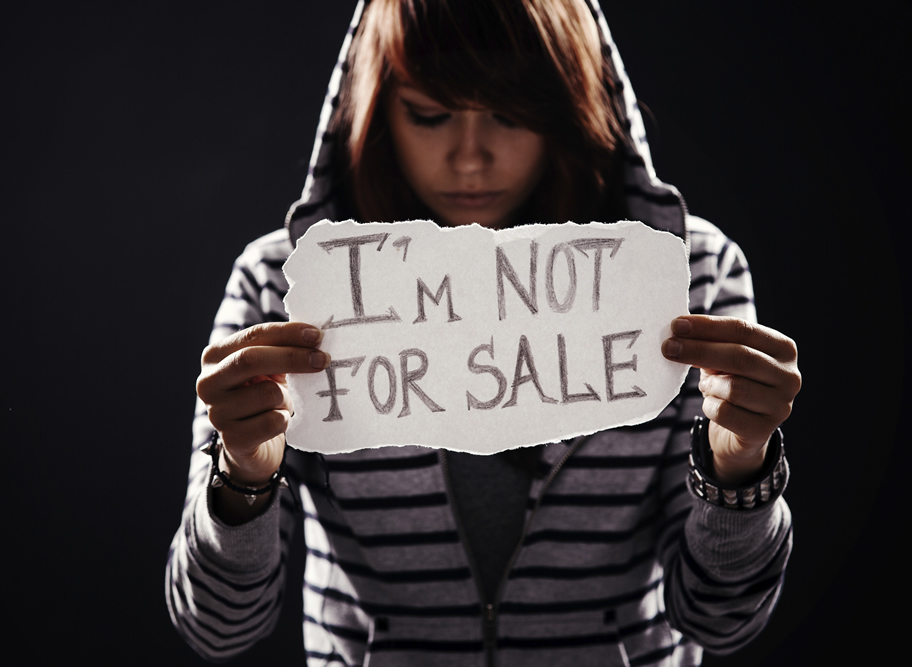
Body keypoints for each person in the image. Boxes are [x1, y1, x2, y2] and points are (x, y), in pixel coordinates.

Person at [166, 0, 800, 664]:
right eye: (430, 115)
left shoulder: (690, 279)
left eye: (509, 112)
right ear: (375, 106)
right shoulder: (285, 287)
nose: (471, 159)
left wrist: (739, 470)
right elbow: (216, 625)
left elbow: (723, 622)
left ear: (569, 102)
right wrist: (242, 479)